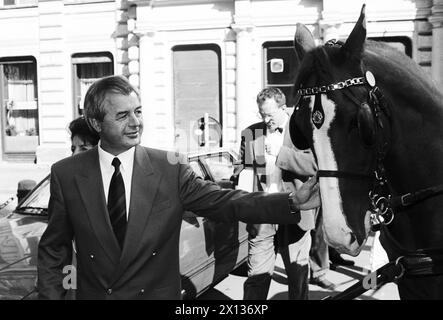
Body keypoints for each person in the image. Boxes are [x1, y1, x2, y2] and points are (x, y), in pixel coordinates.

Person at [37, 75, 320, 300]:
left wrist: (291, 201)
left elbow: (226, 201)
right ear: (96, 123)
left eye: (138, 111)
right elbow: (54, 249)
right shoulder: (67, 173)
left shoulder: (168, 168)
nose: (136, 123)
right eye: (122, 116)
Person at [232, 87, 317, 300]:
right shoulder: (251, 133)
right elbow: (241, 170)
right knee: (256, 276)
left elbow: (315, 166)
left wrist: (282, 155)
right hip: (262, 214)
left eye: (270, 114)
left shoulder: (303, 130)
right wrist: (242, 179)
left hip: (294, 211)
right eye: (262, 114)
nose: (266, 119)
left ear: (282, 107)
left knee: (297, 277)